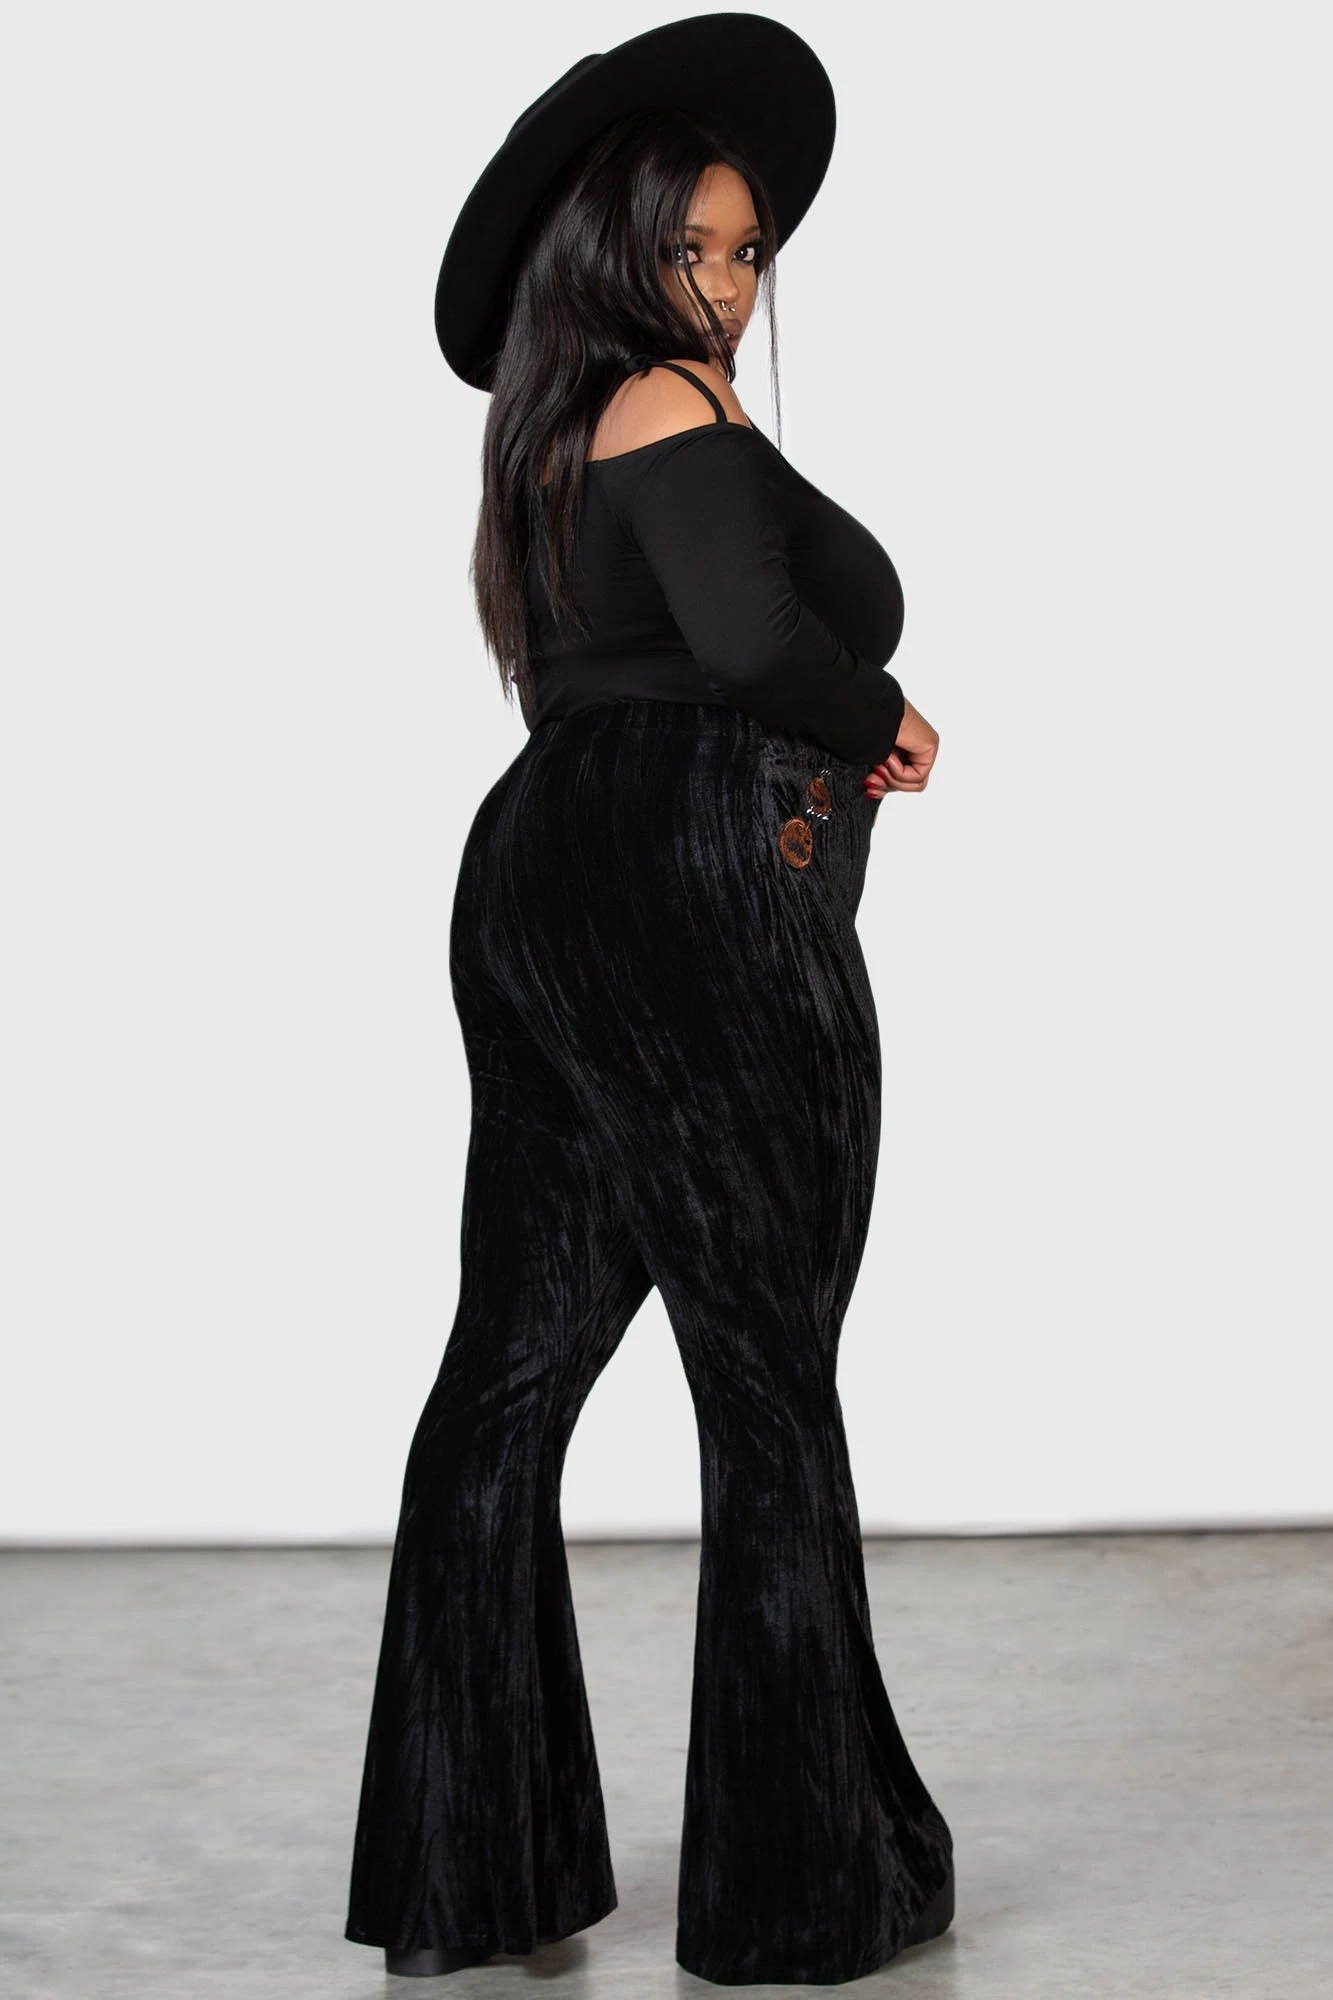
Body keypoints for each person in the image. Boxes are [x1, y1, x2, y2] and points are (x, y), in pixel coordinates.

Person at [344, 13, 954, 1985]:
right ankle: (798, 1891)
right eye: (690, 247)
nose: (730, 284)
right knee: (766, 1375)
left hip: (540, 865)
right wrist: (884, 711)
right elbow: (756, 643)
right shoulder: (668, 406)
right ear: (611, 251)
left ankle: (467, 1869)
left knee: (512, 1364)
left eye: (749, 248)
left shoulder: (546, 437)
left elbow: (633, 662)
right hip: (694, 871)